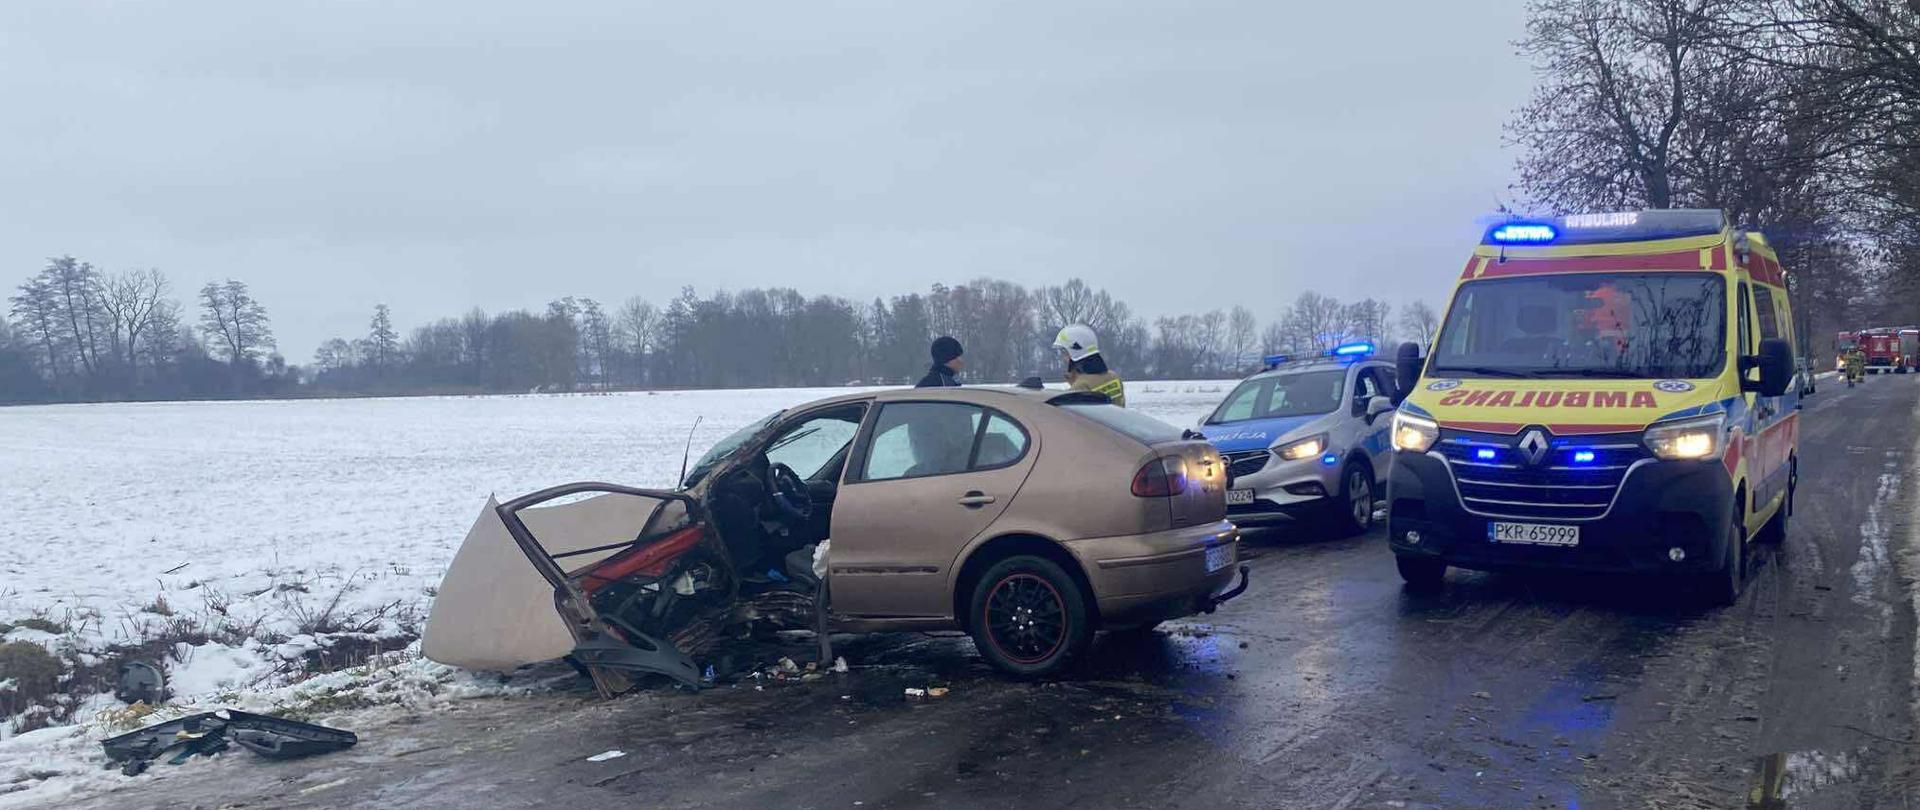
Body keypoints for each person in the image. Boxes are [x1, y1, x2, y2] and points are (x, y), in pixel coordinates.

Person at [1052, 324, 1126, 407]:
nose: (1063, 358)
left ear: (1074, 353)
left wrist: (1074, 387)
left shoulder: (1080, 387)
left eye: (1064, 352)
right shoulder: (1114, 377)